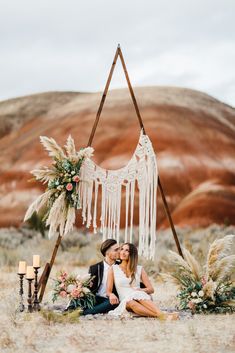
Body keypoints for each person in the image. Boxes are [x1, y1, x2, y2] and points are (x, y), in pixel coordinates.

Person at [106, 243, 179, 320]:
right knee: (131, 302)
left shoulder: (139, 269)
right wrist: (111, 295)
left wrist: (141, 290)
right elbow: (108, 291)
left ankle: (163, 316)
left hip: (140, 298)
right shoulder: (113, 269)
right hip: (125, 300)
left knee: (137, 294)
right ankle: (162, 315)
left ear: (132, 254)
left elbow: (151, 289)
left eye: (127, 250)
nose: (123, 252)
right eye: (122, 249)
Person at [82, 239, 120, 315]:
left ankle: (84, 313)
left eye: (119, 249)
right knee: (79, 298)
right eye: (116, 250)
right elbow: (89, 288)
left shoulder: (121, 266)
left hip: (111, 299)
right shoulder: (95, 268)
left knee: (112, 303)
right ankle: (69, 310)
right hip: (97, 298)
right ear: (107, 252)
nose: (119, 251)